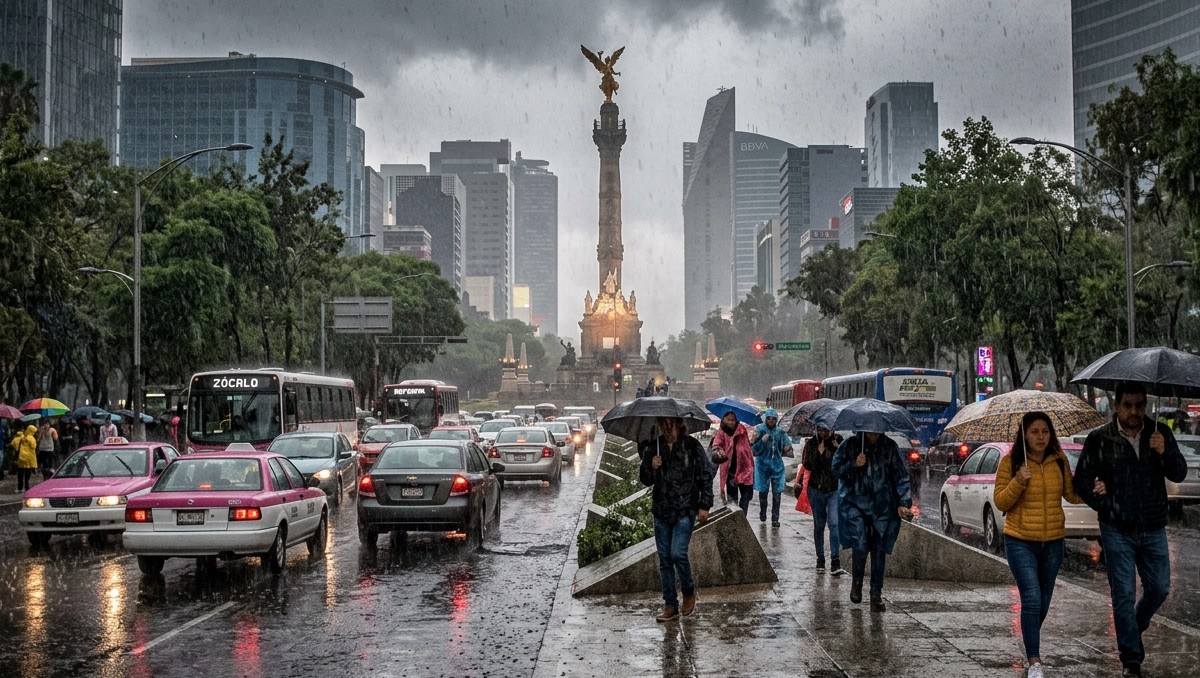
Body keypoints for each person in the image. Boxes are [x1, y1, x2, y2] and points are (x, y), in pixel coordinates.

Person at [1074, 382, 1187, 678]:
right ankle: (1131, 660)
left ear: (1146, 406)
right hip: (1116, 527)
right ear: (1117, 406)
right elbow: (1082, 480)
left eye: (1139, 405)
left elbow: (1179, 472)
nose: (1134, 411)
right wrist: (1101, 499)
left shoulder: (1159, 433)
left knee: (1159, 587)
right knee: (1123, 593)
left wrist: (1165, 452)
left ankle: (1133, 626)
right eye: (1128, 405)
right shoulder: (1100, 438)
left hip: (1152, 525)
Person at [993, 412, 1083, 678]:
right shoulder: (1011, 462)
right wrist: (1019, 481)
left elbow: (1071, 493)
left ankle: (1029, 637)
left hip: (1053, 542)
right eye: (1034, 432)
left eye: (1045, 431)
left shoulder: (1059, 460)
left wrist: (1095, 489)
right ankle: (1035, 662)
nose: (1041, 437)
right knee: (1031, 599)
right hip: (1020, 540)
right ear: (1024, 434)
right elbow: (1000, 502)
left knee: (1042, 603)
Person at [639, 416, 714, 622]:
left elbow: (706, 474)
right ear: (660, 425)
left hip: (685, 508)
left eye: (672, 423)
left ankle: (688, 590)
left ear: (679, 424)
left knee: (677, 553)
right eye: (664, 423)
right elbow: (644, 479)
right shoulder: (654, 448)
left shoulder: (691, 445)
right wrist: (651, 466)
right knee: (664, 559)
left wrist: (704, 505)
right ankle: (670, 604)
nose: (668, 427)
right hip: (662, 511)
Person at [832, 430, 913, 612]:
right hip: (855, 503)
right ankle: (857, 583)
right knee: (860, 543)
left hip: (882, 506)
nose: (873, 433)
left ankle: (876, 594)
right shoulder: (851, 445)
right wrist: (854, 464)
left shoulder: (889, 447)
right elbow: (836, 469)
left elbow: (900, 476)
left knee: (879, 550)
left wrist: (903, 502)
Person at [802, 426, 846, 575]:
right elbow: (807, 465)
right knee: (819, 525)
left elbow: (842, 464)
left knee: (834, 523)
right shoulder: (811, 443)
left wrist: (836, 449)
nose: (823, 433)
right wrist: (818, 453)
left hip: (833, 489)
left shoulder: (838, 441)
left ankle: (835, 561)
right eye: (820, 430)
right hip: (815, 489)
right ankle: (820, 559)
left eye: (826, 430)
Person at [750, 407, 792, 526]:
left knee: (777, 494)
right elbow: (752, 450)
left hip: (777, 467)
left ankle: (775, 518)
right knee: (763, 492)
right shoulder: (759, 430)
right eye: (769, 418)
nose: (771, 421)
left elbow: (787, 447)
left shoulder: (780, 432)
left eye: (773, 419)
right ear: (766, 419)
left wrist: (788, 448)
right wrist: (761, 442)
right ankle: (763, 512)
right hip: (762, 466)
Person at [712, 412, 754, 513]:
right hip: (730, 470)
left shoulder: (741, 429)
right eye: (728, 420)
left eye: (733, 420)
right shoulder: (721, 433)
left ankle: (742, 517)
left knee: (747, 496)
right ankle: (735, 518)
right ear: (724, 420)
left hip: (745, 468)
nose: (731, 422)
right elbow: (716, 445)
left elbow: (747, 445)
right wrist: (719, 450)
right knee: (732, 500)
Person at [15, 424, 38, 492]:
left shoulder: (22, 437)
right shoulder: (31, 438)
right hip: (29, 459)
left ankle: (20, 488)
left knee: (20, 473)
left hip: (21, 458)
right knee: (27, 474)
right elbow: (34, 446)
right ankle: (26, 487)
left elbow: (14, 443)